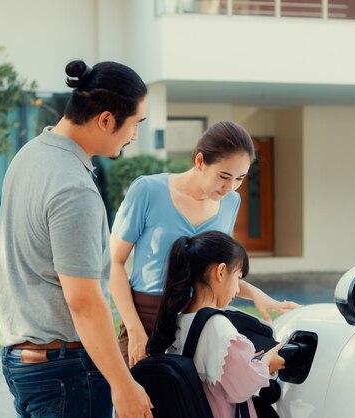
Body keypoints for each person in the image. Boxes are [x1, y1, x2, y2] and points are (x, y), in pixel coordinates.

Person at [0, 59, 153, 418]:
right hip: (65, 371)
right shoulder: (73, 188)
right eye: (135, 124)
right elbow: (84, 301)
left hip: (28, 364)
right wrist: (123, 385)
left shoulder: (29, 156)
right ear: (106, 120)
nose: (135, 136)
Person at [109, 121, 300, 367]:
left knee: (193, 405)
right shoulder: (147, 190)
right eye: (224, 176)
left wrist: (257, 295)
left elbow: (216, 273)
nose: (230, 187)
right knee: (138, 403)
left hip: (200, 324)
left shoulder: (230, 202)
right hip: (147, 321)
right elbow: (114, 262)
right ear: (200, 161)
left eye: (240, 178)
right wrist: (135, 330)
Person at [147, 231, 286, 418]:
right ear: (221, 272)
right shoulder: (220, 327)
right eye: (237, 277)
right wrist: (268, 364)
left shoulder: (179, 318)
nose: (237, 289)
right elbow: (242, 388)